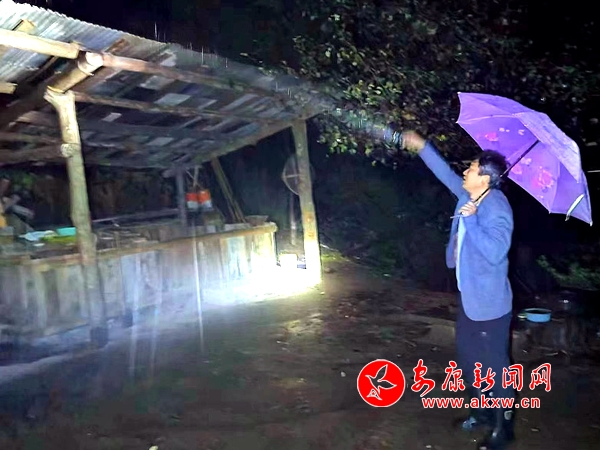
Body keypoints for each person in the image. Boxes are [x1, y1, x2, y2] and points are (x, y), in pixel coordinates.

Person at [402, 131, 515, 450]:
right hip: (471, 299)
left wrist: (474, 221)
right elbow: (446, 175)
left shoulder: (497, 208)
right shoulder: (470, 195)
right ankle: (481, 412)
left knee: (495, 368)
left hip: (490, 306)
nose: (465, 171)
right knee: (469, 361)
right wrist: (423, 147)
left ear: (486, 178)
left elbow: (496, 252)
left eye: (472, 168)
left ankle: (503, 428)